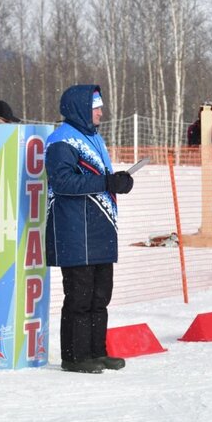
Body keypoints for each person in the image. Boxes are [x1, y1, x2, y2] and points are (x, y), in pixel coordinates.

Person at [45, 85, 134, 374]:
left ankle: (97, 351)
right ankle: (74, 356)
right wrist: (106, 182)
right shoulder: (61, 141)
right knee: (79, 298)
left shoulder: (95, 139)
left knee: (100, 296)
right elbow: (63, 183)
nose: (101, 112)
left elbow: (98, 179)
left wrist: (119, 181)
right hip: (75, 231)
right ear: (80, 108)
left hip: (99, 229)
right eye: (96, 107)